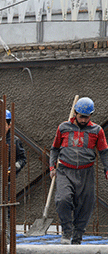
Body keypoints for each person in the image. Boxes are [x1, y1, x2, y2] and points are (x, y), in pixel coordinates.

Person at [49, 97, 108, 245]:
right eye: (81, 116)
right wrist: (52, 167)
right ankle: (67, 232)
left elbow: (104, 152)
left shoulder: (97, 131)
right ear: (75, 113)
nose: (83, 120)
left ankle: (77, 238)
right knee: (62, 199)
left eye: (86, 117)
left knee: (86, 205)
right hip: (65, 170)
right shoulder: (63, 128)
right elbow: (54, 149)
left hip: (86, 172)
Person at [0, 110, 27, 175]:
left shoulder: (15, 141)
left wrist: (16, 166)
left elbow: (22, 159)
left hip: (9, 178)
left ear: (9, 125)